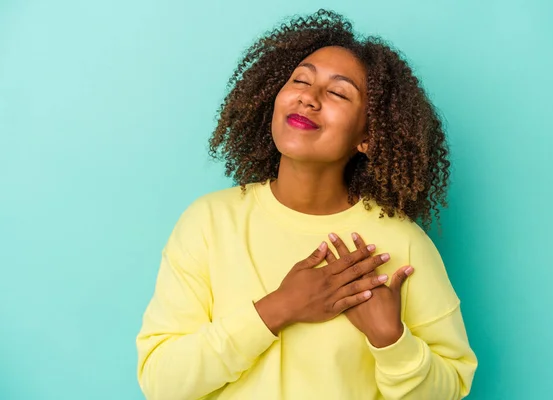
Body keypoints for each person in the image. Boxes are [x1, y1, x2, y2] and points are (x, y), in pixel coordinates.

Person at [136, 9, 478, 400]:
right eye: (300, 80)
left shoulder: (402, 243)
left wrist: (391, 340)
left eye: (337, 92)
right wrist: (278, 308)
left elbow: (451, 388)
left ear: (367, 135)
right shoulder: (209, 222)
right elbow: (161, 383)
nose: (308, 98)